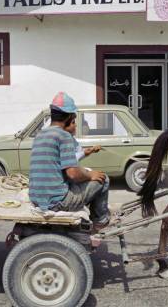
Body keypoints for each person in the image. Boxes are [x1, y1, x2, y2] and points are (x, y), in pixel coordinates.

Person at [29, 92, 110, 231]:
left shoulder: (40, 135)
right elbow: (73, 174)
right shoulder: (63, 136)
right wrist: (91, 175)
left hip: (37, 198)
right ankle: (100, 220)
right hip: (57, 201)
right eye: (74, 118)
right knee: (104, 178)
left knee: (87, 176)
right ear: (68, 117)